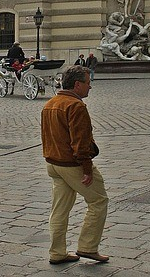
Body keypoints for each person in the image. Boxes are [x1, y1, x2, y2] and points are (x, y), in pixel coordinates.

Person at [42, 66, 109, 265]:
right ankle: (88, 246)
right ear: (77, 85)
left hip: (53, 164)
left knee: (59, 210)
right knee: (98, 201)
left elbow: (46, 137)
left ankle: (57, 252)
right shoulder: (76, 106)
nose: (90, 87)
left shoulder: (50, 104)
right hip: (72, 164)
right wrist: (87, 169)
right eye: (88, 83)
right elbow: (80, 142)